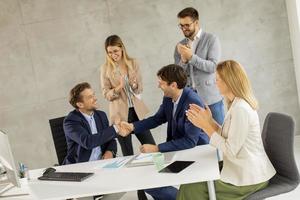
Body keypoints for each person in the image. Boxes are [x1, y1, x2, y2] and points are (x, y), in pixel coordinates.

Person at [177, 60, 276, 200]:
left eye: (218, 79)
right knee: (195, 177)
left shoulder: (241, 109)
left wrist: (205, 126)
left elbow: (230, 149)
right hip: (241, 170)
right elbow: (228, 137)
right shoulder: (236, 105)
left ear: (229, 82)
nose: (215, 82)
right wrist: (209, 121)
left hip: (250, 178)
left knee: (191, 187)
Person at [120, 64, 209, 200]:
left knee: (154, 182)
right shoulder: (168, 97)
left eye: (161, 83)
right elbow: (157, 119)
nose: (158, 86)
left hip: (193, 153)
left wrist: (156, 148)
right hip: (176, 149)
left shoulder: (192, 102)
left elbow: (190, 141)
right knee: (150, 177)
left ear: (173, 85)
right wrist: (132, 127)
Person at [100, 35, 155, 200]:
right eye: (109, 52)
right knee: (129, 157)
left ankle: (157, 188)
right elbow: (105, 94)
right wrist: (118, 88)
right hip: (120, 117)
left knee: (152, 149)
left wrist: (134, 85)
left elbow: (140, 89)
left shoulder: (133, 63)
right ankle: (140, 195)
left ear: (122, 48)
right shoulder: (105, 69)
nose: (113, 55)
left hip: (136, 113)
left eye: (115, 51)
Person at [174, 7, 224, 125]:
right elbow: (177, 75)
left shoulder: (211, 39)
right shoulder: (179, 46)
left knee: (219, 134)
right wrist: (183, 60)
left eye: (187, 25)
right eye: (181, 25)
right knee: (198, 139)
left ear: (196, 22)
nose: (183, 28)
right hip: (190, 99)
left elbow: (213, 67)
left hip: (211, 99)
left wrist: (191, 57)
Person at [63, 82, 124, 165]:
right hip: (81, 167)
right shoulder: (70, 122)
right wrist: (116, 128)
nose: (95, 99)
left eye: (93, 95)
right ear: (80, 104)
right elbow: (88, 142)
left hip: (102, 164)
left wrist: (109, 152)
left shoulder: (101, 115)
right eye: (90, 97)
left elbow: (111, 140)